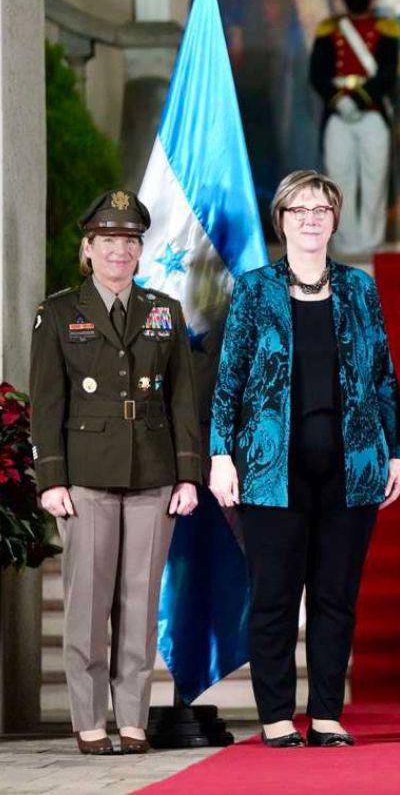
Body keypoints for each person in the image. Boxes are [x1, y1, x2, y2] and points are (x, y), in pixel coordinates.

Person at [209, 170, 400, 748]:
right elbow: (229, 381)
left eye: (322, 209)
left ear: (335, 219)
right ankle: (275, 715)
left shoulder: (359, 288)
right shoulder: (254, 289)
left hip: (352, 466)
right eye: (299, 210)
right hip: (271, 470)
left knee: (334, 596)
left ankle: (325, 714)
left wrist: (393, 451)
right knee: (273, 595)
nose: (311, 219)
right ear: (282, 221)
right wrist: (222, 454)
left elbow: (382, 377)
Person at [30, 190, 202, 755]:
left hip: (153, 472)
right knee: (87, 605)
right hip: (86, 474)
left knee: (138, 601)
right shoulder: (58, 312)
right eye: (108, 241)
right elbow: (48, 402)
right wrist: (50, 479)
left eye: (129, 241)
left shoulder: (163, 310)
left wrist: (187, 476)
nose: (119, 251)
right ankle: (89, 721)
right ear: (88, 248)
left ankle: (131, 718)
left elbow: (182, 400)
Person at [309, 0, 400, 256]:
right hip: (338, 113)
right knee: (340, 181)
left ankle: (372, 246)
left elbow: (388, 74)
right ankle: (346, 248)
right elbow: (317, 74)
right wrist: (338, 100)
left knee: (374, 180)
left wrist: (360, 98)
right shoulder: (328, 29)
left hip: (372, 110)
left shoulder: (387, 28)